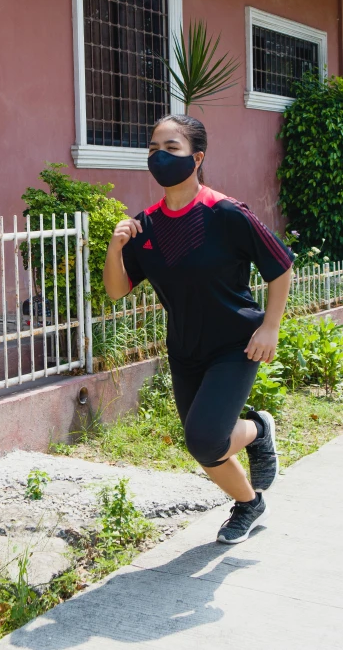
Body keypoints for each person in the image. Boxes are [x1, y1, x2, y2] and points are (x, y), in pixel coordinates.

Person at [103, 115, 294, 544]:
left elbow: (281, 267)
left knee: (207, 440)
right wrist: (116, 247)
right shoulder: (146, 226)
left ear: (197, 157)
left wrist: (271, 327)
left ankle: (259, 430)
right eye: (154, 148)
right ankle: (250, 503)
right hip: (186, 350)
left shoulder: (225, 213)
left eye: (171, 148)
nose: (160, 156)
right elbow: (117, 290)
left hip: (235, 345)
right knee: (205, 447)